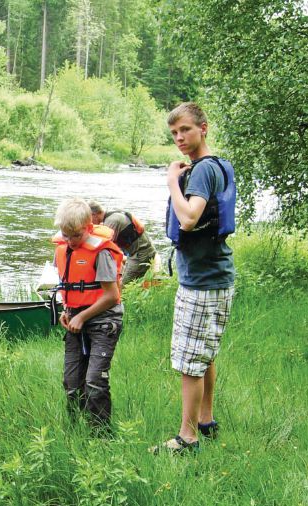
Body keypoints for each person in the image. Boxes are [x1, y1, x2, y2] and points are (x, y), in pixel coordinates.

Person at [152, 102, 236, 454]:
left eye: (185, 130)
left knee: (189, 361)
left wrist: (172, 181)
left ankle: (187, 438)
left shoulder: (201, 171)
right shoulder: (220, 165)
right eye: (173, 133)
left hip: (202, 282)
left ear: (204, 127)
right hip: (215, 275)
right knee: (205, 355)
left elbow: (188, 218)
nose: (179, 138)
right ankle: (206, 419)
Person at [52, 198, 124, 431]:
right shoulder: (63, 250)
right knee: (71, 382)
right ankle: (74, 430)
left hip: (104, 321)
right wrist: (68, 310)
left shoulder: (101, 252)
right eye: (65, 235)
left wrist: (82, 317)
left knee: (94, 381)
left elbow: (111, 295)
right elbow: (68, 285)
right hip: (75, 318)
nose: (70, 241)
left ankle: (101, 434)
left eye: (76, 236)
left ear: (88, 227)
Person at [88, 200, 158, 286]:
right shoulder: (113, 214)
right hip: (143, 251)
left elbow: (104, 246)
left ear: (93, 214)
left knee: (123, 287)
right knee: (133, 281)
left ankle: (153, 286)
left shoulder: (111, 222)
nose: (90, 222)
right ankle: (152, 286)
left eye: (89, 218)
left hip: (140, 255)